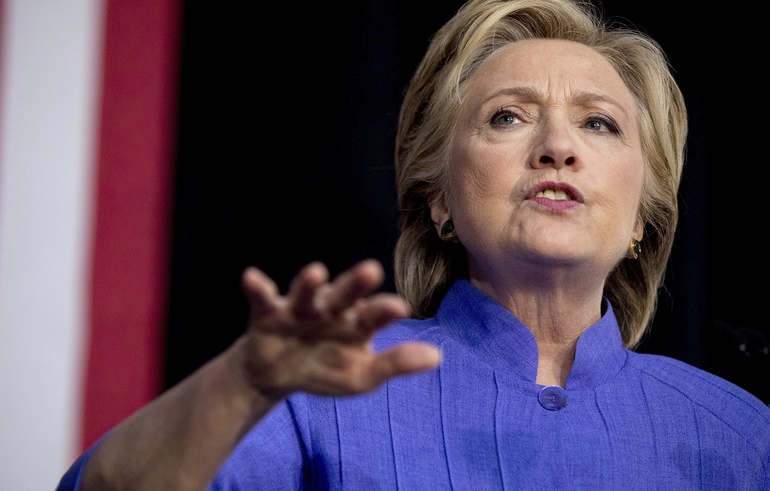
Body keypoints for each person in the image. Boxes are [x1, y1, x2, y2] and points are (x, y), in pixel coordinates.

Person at [58, 0, 770, 488]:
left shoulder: (742, 433)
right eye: (507, 116)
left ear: (644, 215)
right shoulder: (322, 388)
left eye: (599, 124)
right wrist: (239, 384)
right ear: (438, 199)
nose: (556, 146)